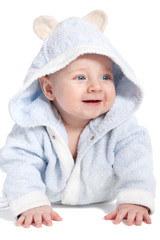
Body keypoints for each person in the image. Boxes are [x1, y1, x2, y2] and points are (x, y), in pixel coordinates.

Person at [0, 10, 156, 228]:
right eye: (80, 77)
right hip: (49, 206)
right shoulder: (33, 126)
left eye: (105, 77)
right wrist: (30, 201)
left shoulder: (121, 125)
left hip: (102, 209)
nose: (96, 86)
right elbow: (20, 163)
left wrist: (135, 199)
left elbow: (136, 160)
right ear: (48, 88)